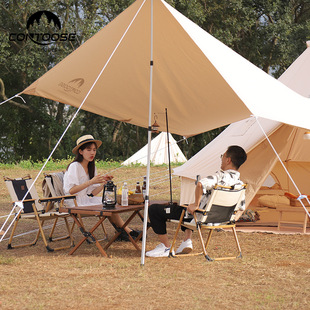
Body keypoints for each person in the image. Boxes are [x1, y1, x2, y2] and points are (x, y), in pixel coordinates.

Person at [146, 145, 247, 257]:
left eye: (223, 156)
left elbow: (200, 184)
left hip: (199, 217)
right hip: (218, 220)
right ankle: (186, 241)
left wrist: (196, 204)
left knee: (154, 209)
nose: (221, 159)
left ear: (228, 160)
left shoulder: (219, 177)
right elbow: (241, 208)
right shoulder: (240, 184)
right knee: (187, 208)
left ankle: (165, 247)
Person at [63, 134, 140, 240]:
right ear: (80, 151)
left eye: (94, 150)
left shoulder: (91, 167)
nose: (92, 153)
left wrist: (104, 183)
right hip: (74, 203)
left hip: (85, 200)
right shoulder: (74, 166)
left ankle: (123, 232)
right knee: (108, 204)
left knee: (110, 202)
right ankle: (127, 232)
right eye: (88, 150)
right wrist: (90, 182)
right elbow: (71, 191)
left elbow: (92, 193)